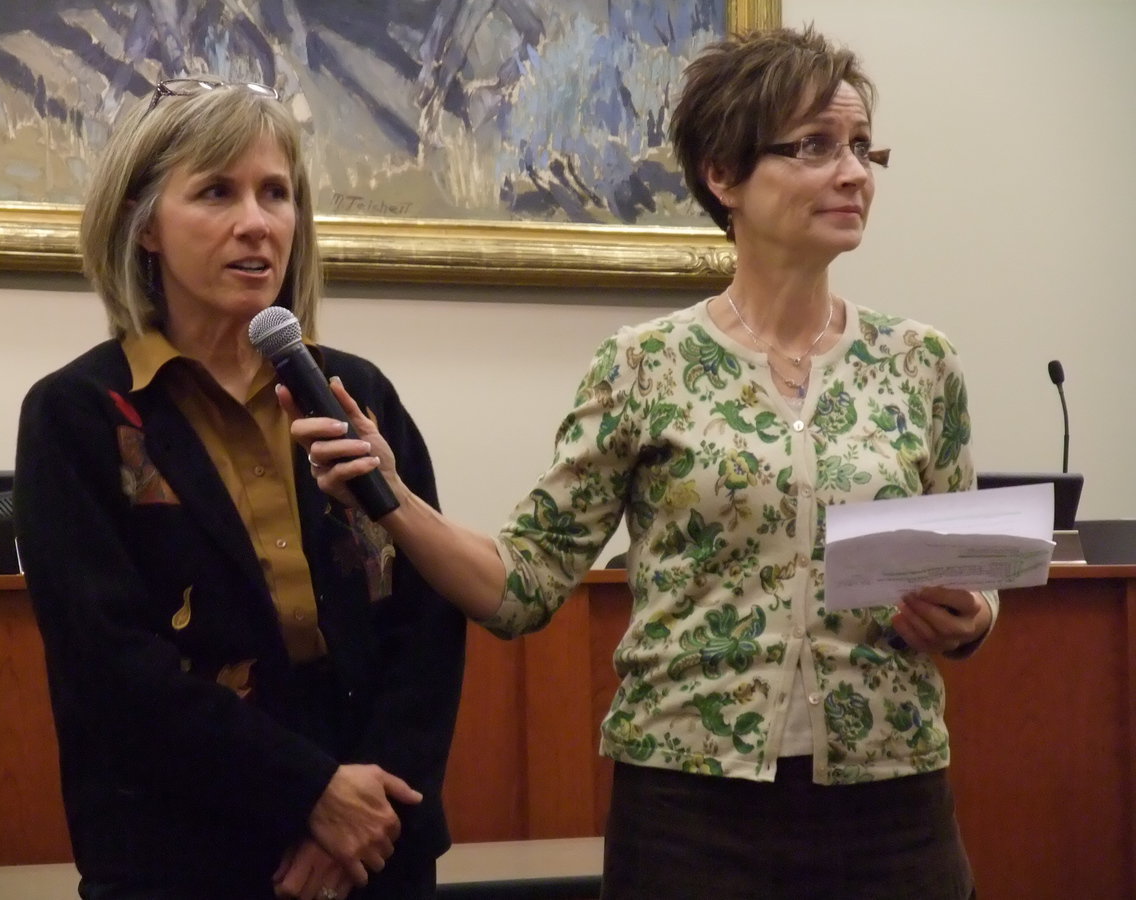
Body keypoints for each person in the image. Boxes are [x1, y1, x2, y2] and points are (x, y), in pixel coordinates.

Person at [290, 25, 997, 900]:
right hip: (693, 821)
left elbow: (972, 587)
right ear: (723, 175)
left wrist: (967, 617)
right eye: (815, 146)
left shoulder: (923, 363)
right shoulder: (643, 366)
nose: (853, 172)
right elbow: (522, 584)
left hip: (894, 811)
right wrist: (393, 499)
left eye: (861, 147)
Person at [13, 76, 465, 900]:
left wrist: (368, 811)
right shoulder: (77, 414)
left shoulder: (355, 392)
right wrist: (310, 796)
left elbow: (427, 621)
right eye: (217, 192)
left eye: (276, 194)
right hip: (184, 850)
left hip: (376, 845)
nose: (256, 223)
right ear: (144, 224)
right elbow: (113, 667)